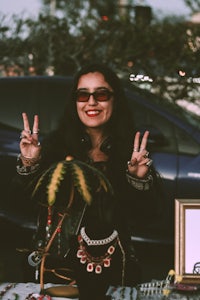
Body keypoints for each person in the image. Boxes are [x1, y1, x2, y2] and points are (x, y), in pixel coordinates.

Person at [15, 63, 160, 300]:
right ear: (75, 102)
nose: (91, 102)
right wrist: (29, 164)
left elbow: (146, 216)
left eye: (101, 94)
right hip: (54, 273)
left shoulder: (131, 153)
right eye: (83, 95)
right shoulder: (55, 148)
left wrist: (137, 179)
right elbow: (21, 205)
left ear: (115, 100)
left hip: (113, 275)